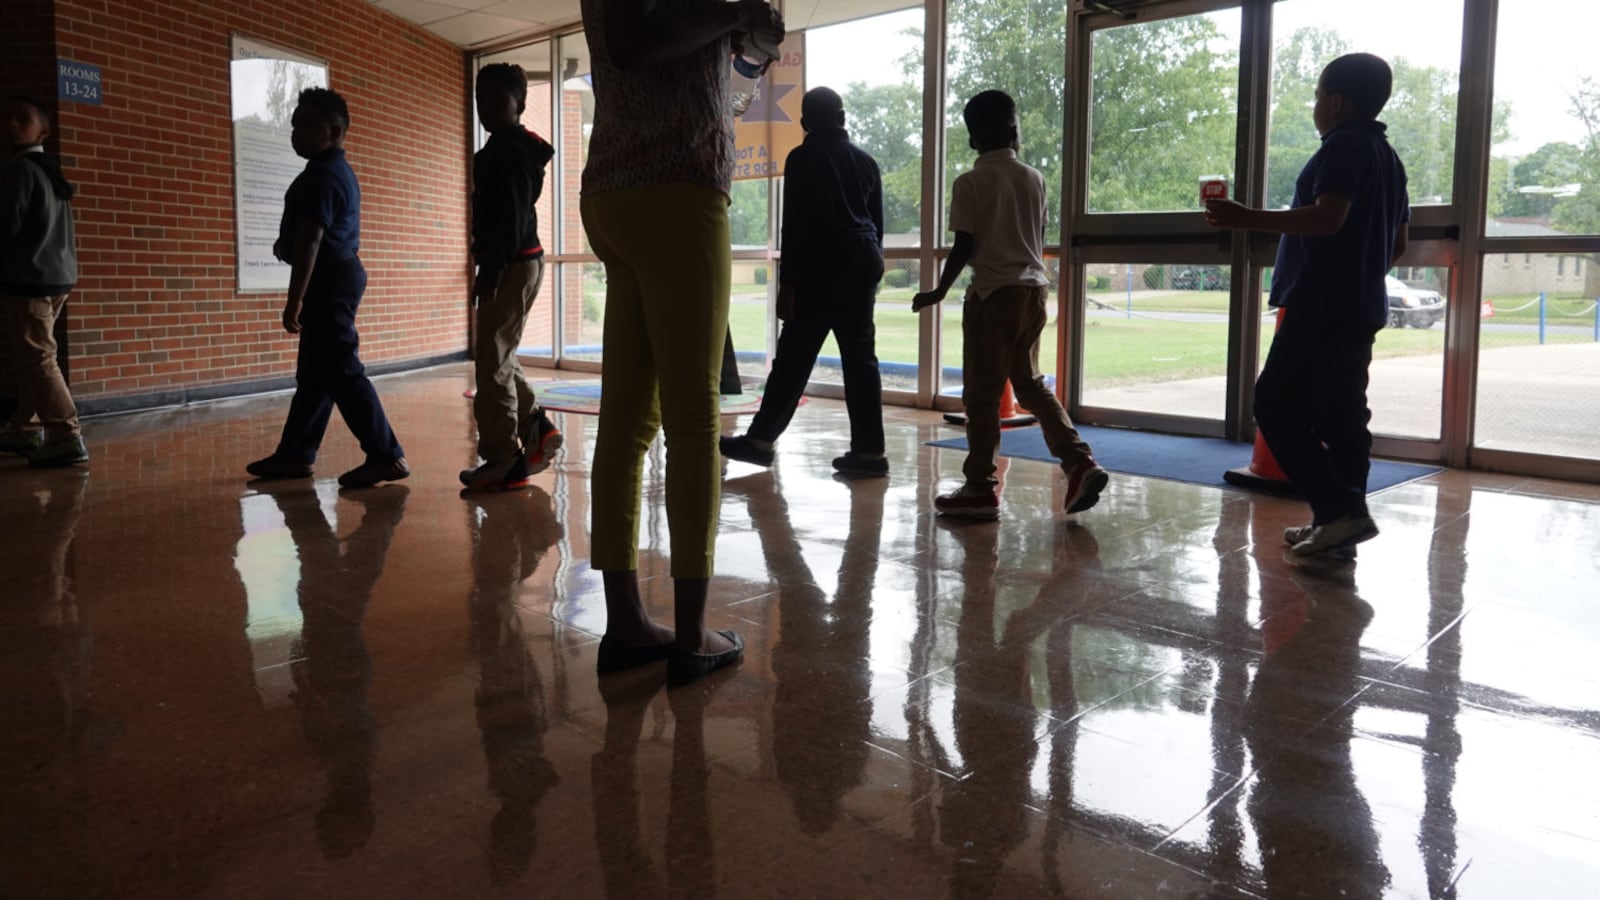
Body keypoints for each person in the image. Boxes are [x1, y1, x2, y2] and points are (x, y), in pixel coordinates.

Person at [579, 0, 784, 685]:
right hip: (675, 184)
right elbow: (637, 39)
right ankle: (693, 635)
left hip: (613, 187)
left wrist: (743, 42)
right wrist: (733, 15)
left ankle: (628, 624)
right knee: (694, 418)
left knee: (628, 420)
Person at [1206, 53, 1410, 563]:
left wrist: (1244, 217)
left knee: (1274, 405)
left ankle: (1338, 511)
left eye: (1319, 96)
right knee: (1343, 417)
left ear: (1336, 102)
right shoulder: (1388, 157)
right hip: (1360, 305)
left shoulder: (1342, 146)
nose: (1316, 106)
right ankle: (1340, 525)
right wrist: (1361, 268)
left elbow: (1326, 218)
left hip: (1320, 301)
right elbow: (1398, 243)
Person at [911, 90, 1107, 520]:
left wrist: (940, 290)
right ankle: (1079, 461)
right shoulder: (1033, 177)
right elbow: (1034, 235)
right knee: (1030, 383)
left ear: (972, 139)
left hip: (992, 295)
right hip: (1033, 292)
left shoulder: (970, 183)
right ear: (1012, 131)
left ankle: (980, 486)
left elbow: (964, 245)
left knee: (981, 396)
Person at [720, 87, 888, 477]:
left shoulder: (803, 158)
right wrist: (872, 274)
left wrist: (787, 286)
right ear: (843, 118)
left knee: (794, 358)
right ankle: (870, 454)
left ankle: (760, 442)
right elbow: (877, 226)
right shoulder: (867, 162)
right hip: (863, 262)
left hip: (821, 266)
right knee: (862, 362)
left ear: (805, 123)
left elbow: (795, 226)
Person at [246, 88, 409, 489]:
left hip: (329, 279)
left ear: (335, 130)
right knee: (316, 374)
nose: (296, 133)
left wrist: (294, 299)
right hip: (335, 274)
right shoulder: (330, 171)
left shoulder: (322, 174)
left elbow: (312, 241)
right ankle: (296, 454)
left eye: (306, 125)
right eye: (293, 125)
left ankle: (386, 455)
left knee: (342, 370)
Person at [462, 63, 561, 492]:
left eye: (496, 100)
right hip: (519, 261)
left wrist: (492, 268)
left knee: (492, 363)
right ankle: (536, 426)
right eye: (480, 100)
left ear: (519, 104)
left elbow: (511, 218)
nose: (485, 108)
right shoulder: (508, 150)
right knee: (499, 355)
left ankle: (502, 457)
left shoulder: (507, 153)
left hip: (513, 263)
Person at [0, 96, 87, 467]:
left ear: (44, 130)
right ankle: (23, 428)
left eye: (23, 119)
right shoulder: (50, 170)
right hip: (57, 276)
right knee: (31, 356)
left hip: (29, 278)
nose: (12, 124)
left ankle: (66, 435)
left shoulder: (20, 171)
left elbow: (6, 227)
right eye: (8, 118)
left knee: (37, 358)